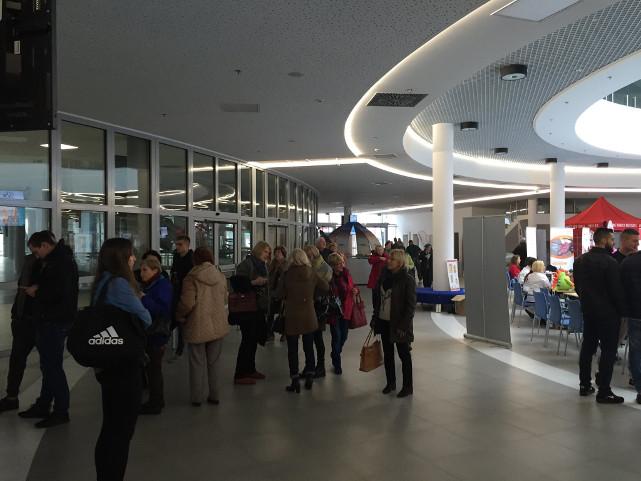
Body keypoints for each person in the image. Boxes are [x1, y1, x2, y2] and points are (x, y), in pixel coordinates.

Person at [91, 238, 151, 481]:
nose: (134, 258)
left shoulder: (103, 281)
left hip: (107, 362)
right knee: (121, 430)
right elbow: (145, 318)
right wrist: (138, 298)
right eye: (131, 254)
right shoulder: (119, 284)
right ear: (121, 259)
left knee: (110, 426)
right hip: (123, 365)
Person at [18, 231, 78, 429]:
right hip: (50, 319)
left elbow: (59, 292)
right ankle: (44, 404)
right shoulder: (54, 261)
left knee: (52, 367)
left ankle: (61, 410)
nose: (36, 256)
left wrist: (37, 291)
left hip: (54, 320)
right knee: (48, 366)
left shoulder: (61, 263)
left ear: (45, 245)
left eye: (36, 251)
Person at [574, 227, 626, 403]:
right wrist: (622, 311)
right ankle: (604, 390)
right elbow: (616, 291)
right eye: (612, 239)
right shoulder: (610, 262)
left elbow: (578, 287)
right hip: (608, 313)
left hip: (588, 311)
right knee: (608, 351)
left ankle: (584, 385)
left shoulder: (579, 261)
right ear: (604, 240)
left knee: (587, 348)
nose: (613, 242)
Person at [176, 247, 229, 406]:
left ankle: (197, 398)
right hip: (217, 323)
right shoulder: (220, 276)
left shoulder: (191, 278)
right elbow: (224, 299)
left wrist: (179, 314)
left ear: (195, 260)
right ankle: (215, 395)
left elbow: (187, 303)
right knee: (214, 362)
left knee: (196, 362)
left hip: (197, 324)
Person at [281, 249, 329, 393]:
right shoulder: (311, 273)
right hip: (309, 314)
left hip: (292, 315)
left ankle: (295, 380)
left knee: (292, 350)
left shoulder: (286, 274)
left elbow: (278, 293)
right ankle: (309, 376)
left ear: (291, 259)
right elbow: (326, 287)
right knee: (309, 347)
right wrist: (312, 295)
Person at [0, 245, 42, 413]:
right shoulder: (30, 261)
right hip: (23, 319)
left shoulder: (54, 264)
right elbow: (21, 289)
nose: (34, 252)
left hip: (40, 321)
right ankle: (11, 397)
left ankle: (47, 402)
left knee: (48, 365)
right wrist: (16, 314)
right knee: (17, 360)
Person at [372, 249, 416, 398]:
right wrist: (375, 318)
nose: (388, 261)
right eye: (389, 258)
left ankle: (407, 386)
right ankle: (390, 383)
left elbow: (410, 307)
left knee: (404, 355)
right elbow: (378, 300)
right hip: (384, 321)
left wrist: (403, 326)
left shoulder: (407, 280)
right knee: (388, 354)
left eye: (392, 259)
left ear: (400, 262)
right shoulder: (383, 277)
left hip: (399, 324)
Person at [138, 256, 173, 415]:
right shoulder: (151, 285)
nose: (142, 273)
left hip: (157, 332)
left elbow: (162, 309)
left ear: (155, 270)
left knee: (154, 369)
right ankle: (156, 400)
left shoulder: (162, 286)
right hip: (151, 332)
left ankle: (156, 402)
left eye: (145, 270)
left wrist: (143, 299)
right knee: (152, 369)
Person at [233, 241, 271, 384]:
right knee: (247, 340)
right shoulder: (247, 264)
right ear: (259, 250)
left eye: (268, 252)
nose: (267, 255)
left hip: (258, 307)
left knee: (253, 339)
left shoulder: (263, 265)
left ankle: (250, 369)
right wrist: (254, 282)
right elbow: (238, 284)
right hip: (247, 308)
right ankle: (240, 373)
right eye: (265, 251)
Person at [303, 245, 333, 377]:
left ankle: (320, 366)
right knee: (307, 339)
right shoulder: (307, 267)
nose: (307, 258)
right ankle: (309, 366)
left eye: (309, 255)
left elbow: (325, 287)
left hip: (319, 307)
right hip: (308, 306)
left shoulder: (325, 268)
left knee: (317, 338)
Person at [327, 253, 357, 375]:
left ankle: (335, 353)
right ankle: (337, 363)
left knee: (344, 336)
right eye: (338, 264)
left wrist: (355, 290)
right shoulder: (329, 278)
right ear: (333, 266)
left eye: (341, 263)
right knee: (337, 337)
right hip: (334, 312)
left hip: (346, 310)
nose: (341, 265)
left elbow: (353, 286)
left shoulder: (346, 274)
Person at [622, 250, 641, 404]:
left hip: (634, 313)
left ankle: (640, 389)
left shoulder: (628, 262)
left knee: (635, 352)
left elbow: (620, 288)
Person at [170, 235, 194, 357]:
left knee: (182, 318)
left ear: (187, 245)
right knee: (176, 317)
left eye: (180, 245)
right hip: (176, 290)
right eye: (176, 244)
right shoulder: (176, 256)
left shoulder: (191, 259)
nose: (177, 247)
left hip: (186, 291)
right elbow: (174, 271)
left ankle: (181, 345)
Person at [267, 246, 287, 341]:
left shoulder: (286, 264)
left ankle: (284, 333)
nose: (277, 254)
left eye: (279, 252)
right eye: (276, 252)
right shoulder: (272, 264)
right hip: (273, 291)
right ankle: (269, 333)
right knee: (270, 313)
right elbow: (269, 276)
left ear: (283, 254)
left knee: (283, 314)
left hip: (282, 293)